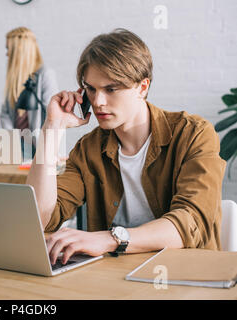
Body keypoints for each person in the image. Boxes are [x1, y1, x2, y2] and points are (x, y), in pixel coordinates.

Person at [26, 28, 226, 266]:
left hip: (187, 276)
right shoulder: (89, 149)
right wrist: (52, 127)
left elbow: (190, 222)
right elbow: (38, 219)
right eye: (91, 89)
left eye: (111, 89)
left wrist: (111, 239)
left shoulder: (193, 134)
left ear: (142, 87)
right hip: (113, 278)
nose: (98, 101)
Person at [0, 27, 58, 138]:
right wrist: (12, 140)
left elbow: (52, 115)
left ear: (18, 51)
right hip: (18, 145)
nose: (7, 54)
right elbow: (5, 112)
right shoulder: (14, 78)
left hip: (39, 144)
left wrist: (43, 147)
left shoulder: (45, 75)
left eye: (8, 49)